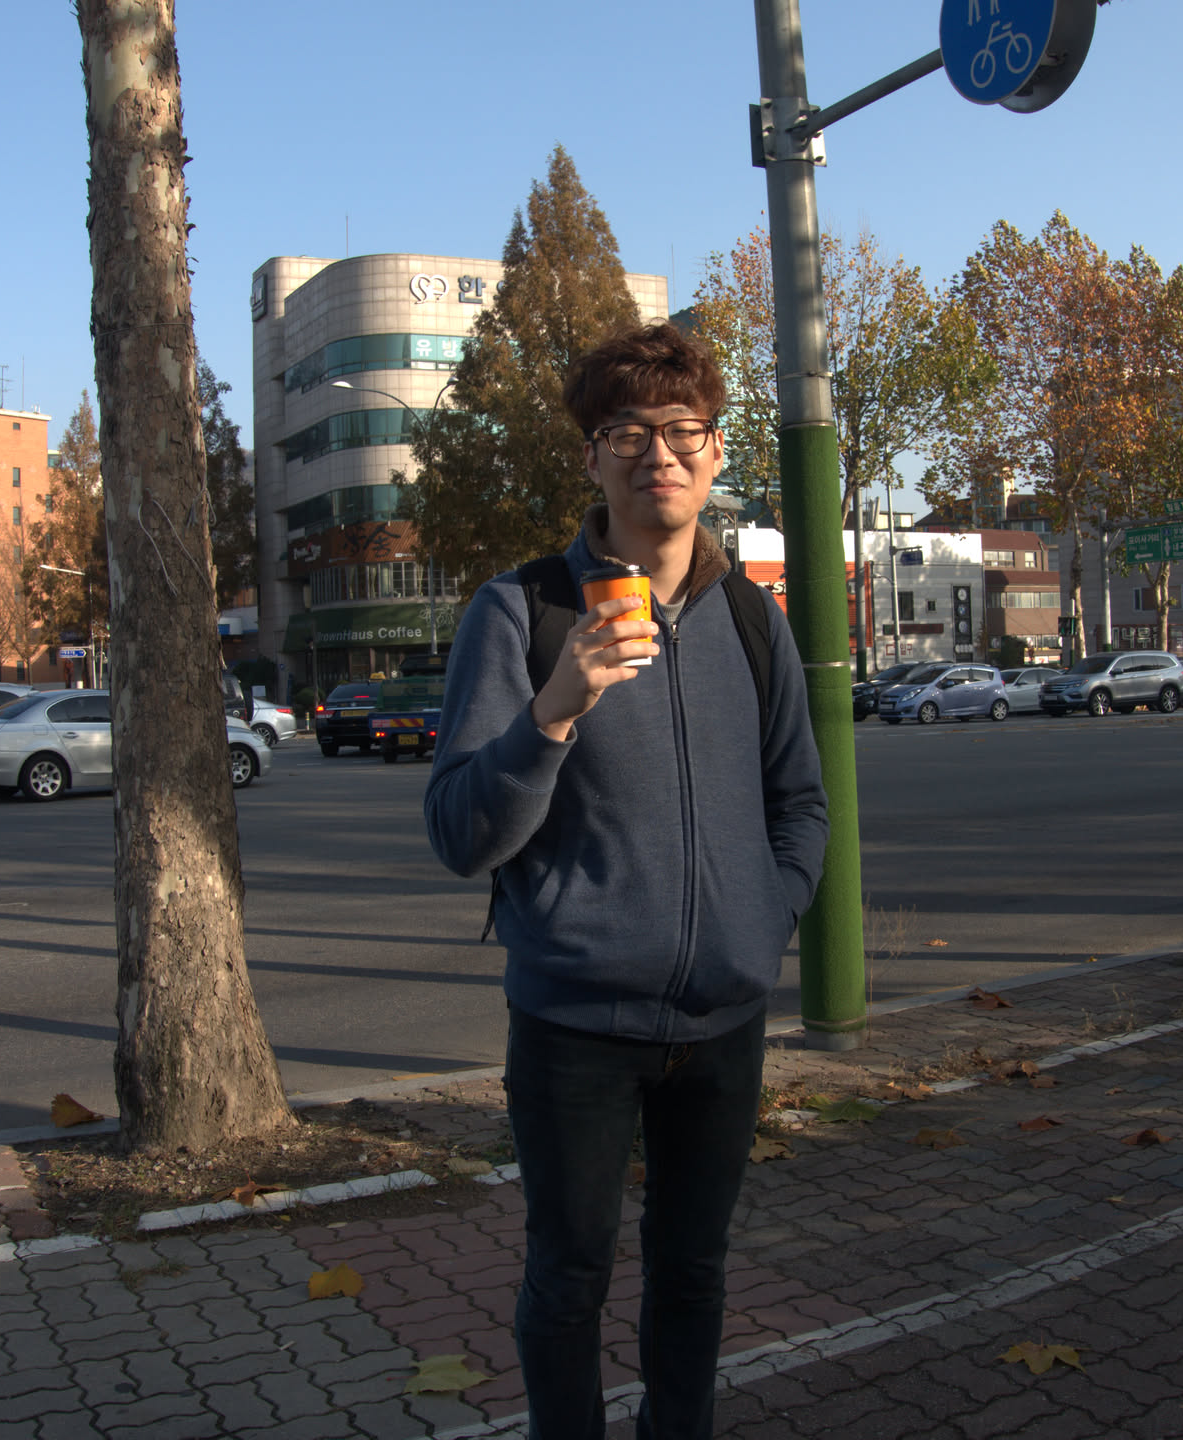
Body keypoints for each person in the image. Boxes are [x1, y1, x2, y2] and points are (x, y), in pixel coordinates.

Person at [425, 322, 829, 1438]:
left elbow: (801, 802)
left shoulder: (751, 617)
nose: (660, 454)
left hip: (724, 1021)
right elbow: (459, 834)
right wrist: (555, 709)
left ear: (715, 450)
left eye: (684, 430)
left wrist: (764, 917)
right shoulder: (521, 610)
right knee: (567, 1279)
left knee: (694, 1271)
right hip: (575, 1025)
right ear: (591, 457)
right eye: (629, 433)